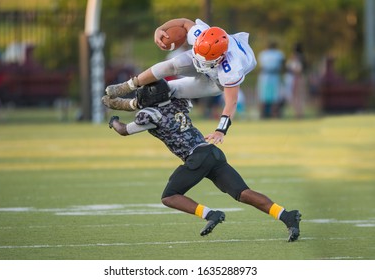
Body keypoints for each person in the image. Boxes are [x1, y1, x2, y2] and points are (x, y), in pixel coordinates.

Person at [108, 79, 301, 241]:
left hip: (196, 157)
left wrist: (113, 121)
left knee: (169, 196)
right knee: (243, 193)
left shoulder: (150, 115)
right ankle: (286, 216)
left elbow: (124, 130)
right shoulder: (178, 103)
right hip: (212, 152)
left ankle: (210, 214)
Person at [102, 18, 257, 144]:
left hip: (214, 82)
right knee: (171, 65)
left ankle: (131, 105)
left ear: (221, 58)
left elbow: (231, 103)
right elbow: (183, 22)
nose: (200, 63)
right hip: (210, 58)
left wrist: (220, 130)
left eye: (206, 60)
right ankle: (127, 86)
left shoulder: (231, 68)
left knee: (168, 90)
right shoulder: (201, 36)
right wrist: (160, 28)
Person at [257, 41, 285, 118]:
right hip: (274, 76)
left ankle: (263, 115)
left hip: (265, 77)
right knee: (274, 98)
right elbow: (282, 65)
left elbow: (260, 67)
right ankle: (274, 115)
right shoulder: (278, 54)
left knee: (264, 97)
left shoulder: (263, 54)